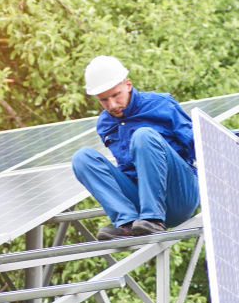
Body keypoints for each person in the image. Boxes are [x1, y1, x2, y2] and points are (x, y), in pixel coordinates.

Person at [72, 56, 200, 241]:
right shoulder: (105, 124)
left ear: (128, 84)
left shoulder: (161, 103)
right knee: (81, 157)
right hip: (140, 199)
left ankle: (153, 218)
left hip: (178, 195)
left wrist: (227, 141)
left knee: (143, 135)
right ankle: (126, 223)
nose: (112, 105)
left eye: (116, 95)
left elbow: (195, 139)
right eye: (104, 100)